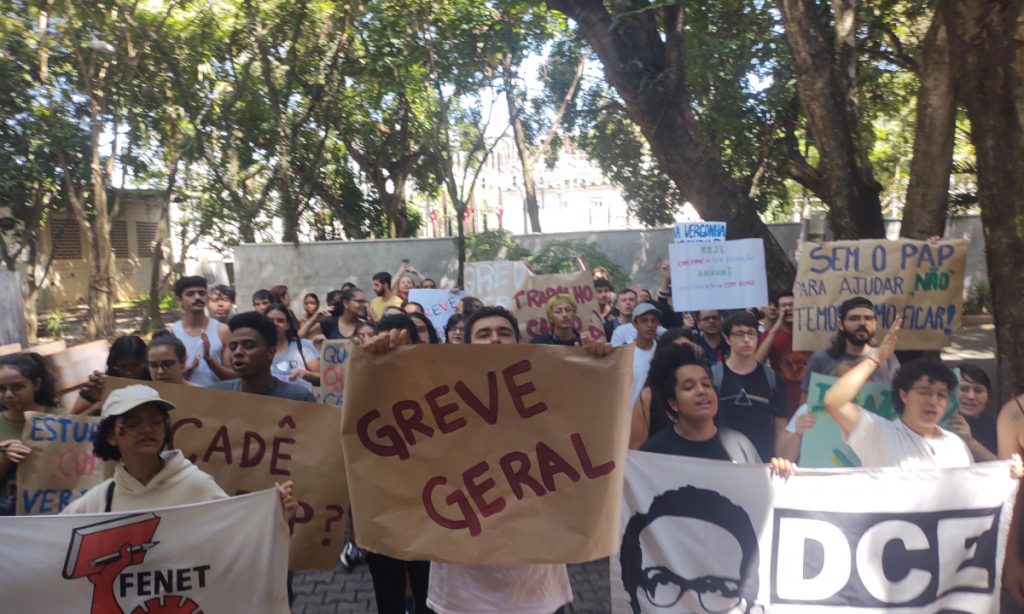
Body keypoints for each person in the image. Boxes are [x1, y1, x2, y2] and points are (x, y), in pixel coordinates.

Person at [361, 306, 614, 614]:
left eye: (504, 333)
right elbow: (387, 431)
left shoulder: (548, 394)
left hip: (536, 587)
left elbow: (595, 430)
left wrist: (599, 369)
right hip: (460, 591)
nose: (495, 340)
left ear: (519, 344)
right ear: (466, 347)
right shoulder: (436, 397)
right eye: (484, 334)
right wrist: (381, 365)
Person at [59, 385, 297, 612]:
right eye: (133, 423)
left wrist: (277, 516)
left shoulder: (196, 486)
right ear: (111, 435)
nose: (147, 429)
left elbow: (241, 541)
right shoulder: (98, 503)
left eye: (155, 421)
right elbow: (50, 546)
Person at [822, 318, 971, 468]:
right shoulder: (878, 434)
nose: (933, 401)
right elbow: (834, 402)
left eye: (942, 395)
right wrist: (877, 356)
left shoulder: (956, 444)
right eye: (924, 393)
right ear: (904, 395)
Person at [712, 311, 789, 462]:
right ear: (727, 339)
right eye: (739, 334)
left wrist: (780, 459)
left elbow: (780, 428)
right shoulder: (713, 377)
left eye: (751, 333)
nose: (746, 339)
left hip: (762, 459)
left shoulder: (773, 379)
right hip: (724, 460)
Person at [0, 353, 67, 515]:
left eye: (17, 387)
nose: (8, 394)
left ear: (36, 385)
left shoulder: (60, 418)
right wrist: (5, 457)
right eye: (1, 388)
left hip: (53, 503)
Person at [801, 296, 899, 405]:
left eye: (868, 318)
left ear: (875, 324)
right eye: (854, 318)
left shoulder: (887, 357)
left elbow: (898, 396)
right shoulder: (821, 358)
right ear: (841, 325)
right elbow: (806, 402)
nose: (862, 323)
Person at [211, 312, 315, 402]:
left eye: (249, 346)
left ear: (270, 352)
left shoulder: (300, 399)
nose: (237, 352)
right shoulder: (216, 396)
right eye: (233, 347)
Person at [628, 328, 702, 449]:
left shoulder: (705, 392)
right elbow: (636, 451)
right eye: (676, 349)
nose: (682, 353)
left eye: (688, 348)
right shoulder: (648, 397)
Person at [754, 292, 811, 418]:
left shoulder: (812, 334)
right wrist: (775, 329)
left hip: (808, 398)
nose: (788, 309)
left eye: (792, 305)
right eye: (783, 306)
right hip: (782, 400)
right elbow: (756, 363)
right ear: (778, 311)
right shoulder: (770, 336)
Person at [171, 276, 234, 387]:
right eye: (190, 294)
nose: (197, 297)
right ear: (179, 300)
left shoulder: (223, 331)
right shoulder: (174, 333)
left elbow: (233, 378)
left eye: (201, 293)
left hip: (217, 399)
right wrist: (190, 368)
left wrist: (209, 359)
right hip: (183, 398)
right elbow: (167, 377)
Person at [72, 335, 151, 415]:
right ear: (113, 365)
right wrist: (97, 407)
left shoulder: (153, 379)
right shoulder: (100, 385)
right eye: (122, 367)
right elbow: (72, 420)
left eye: (135, 366)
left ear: (145, 363)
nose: (128, 373)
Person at [945, 363, 997, 462]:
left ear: (988, 397)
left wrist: (969, 441)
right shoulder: (934, 423)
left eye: (978, 391)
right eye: (963, 389)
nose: (971, 396)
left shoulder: (998, 427)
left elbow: (1007, 468)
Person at [266, 303, 321, 395]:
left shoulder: (303, 346)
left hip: (299, 406)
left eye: (280, 321)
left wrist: (306, 375)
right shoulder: (258, 350)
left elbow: (323, 378)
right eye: (270, 320)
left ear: (287, 325)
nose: (275, 324)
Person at [629, 303, 662, 406]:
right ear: (635, 324)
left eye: (653, 320)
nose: (650, 325)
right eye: (644, 320)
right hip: (630, 414)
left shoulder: (663, 351)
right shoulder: (625, 353)